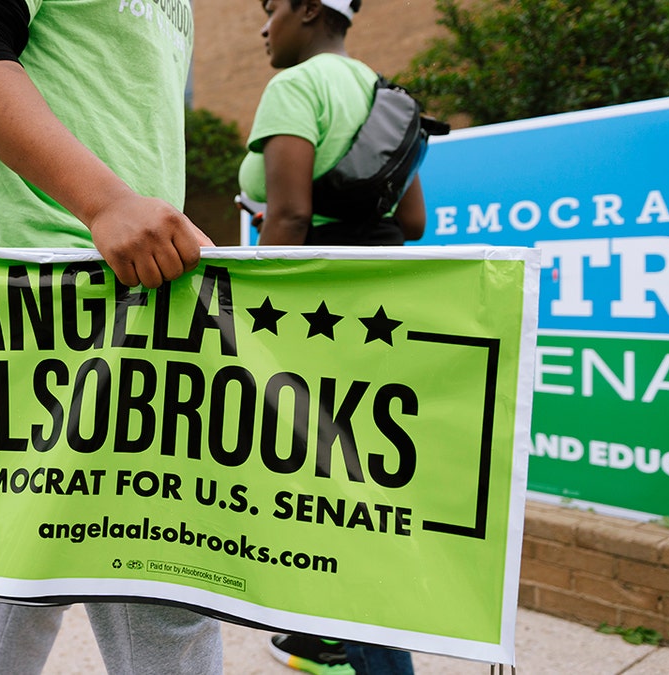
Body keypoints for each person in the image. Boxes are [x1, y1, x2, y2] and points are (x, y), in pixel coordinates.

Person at [0, 0, 221, 673]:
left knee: (26, 563)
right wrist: (105, 203)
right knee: (164, 575)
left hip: (130, 290)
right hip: (44, 285)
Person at [239, 1, 422, 673]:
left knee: (324, 493)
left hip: (306, 315)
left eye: (271, 9)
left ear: (310, 10)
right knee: (346, 488)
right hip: (373, 311)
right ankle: (321, 637)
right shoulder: (386, 93)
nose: (262, 28)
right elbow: (414, 218)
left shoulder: (294, 85)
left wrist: (246, 322)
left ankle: (375, 659)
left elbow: (288, 216)